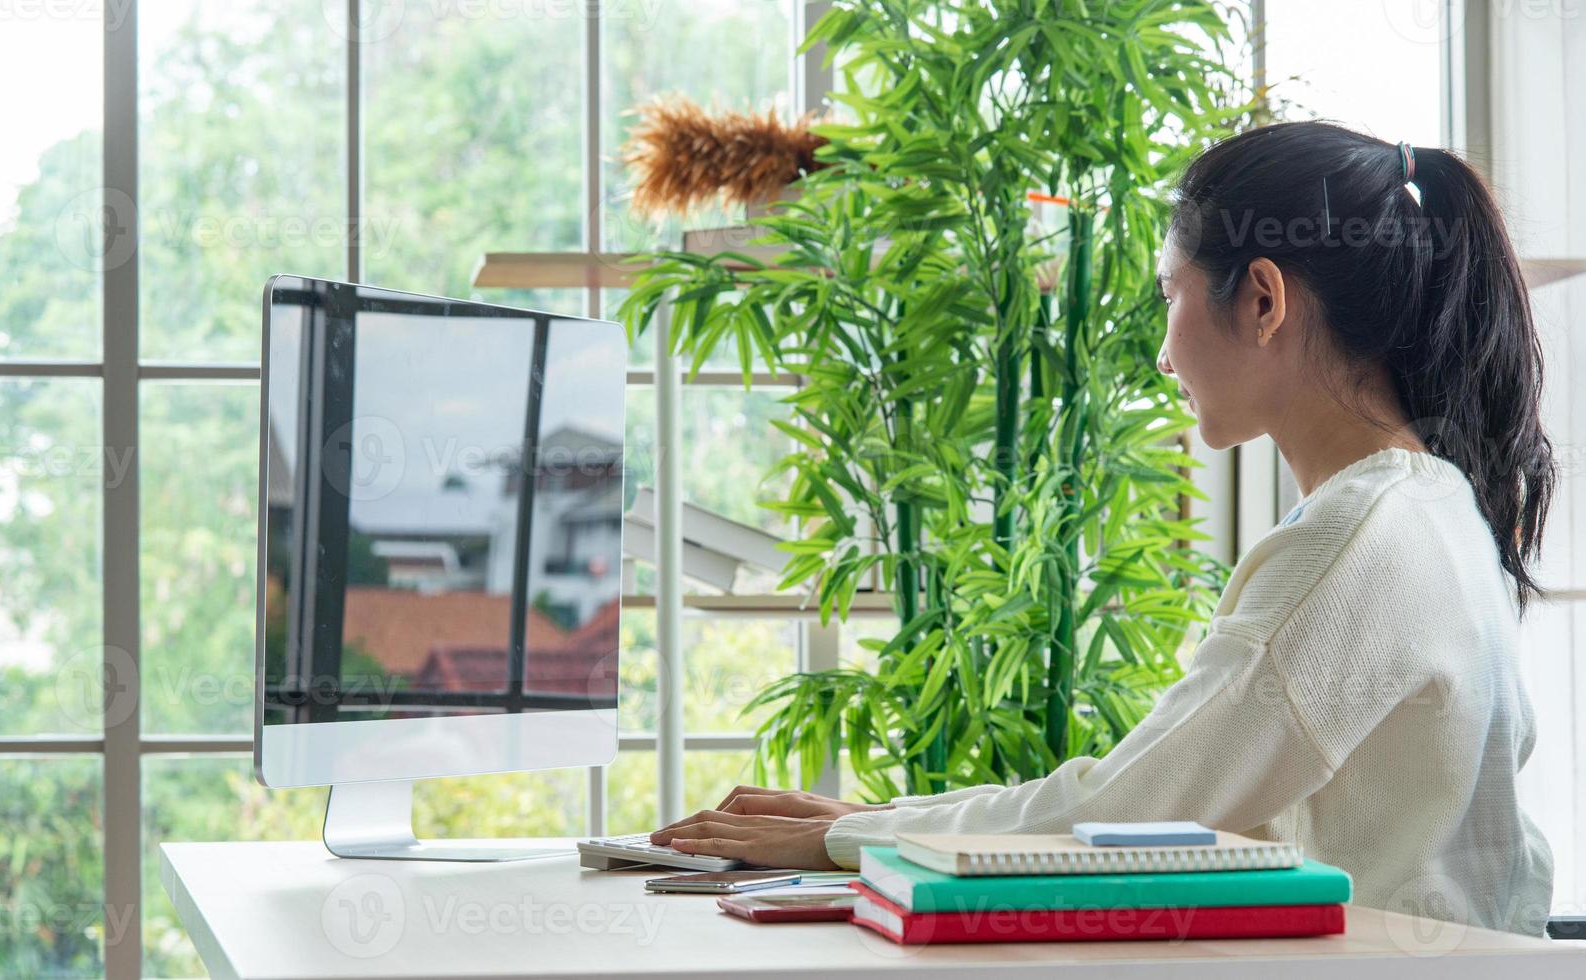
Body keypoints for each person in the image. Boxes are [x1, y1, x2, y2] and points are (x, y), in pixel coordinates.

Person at [647, 121, 1558, 936]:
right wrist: (872, 823)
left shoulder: (1360, 538)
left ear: (1263, 301)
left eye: (1170, 294)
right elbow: (1172, 796)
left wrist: (850, 835)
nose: (1163, 352)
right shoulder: (1432, 503)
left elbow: (1143, 813)